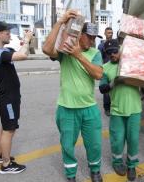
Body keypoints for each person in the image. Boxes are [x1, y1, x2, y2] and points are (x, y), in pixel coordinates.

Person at [42, 10, 104, 182]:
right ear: (79, 34)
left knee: (94, 144)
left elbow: (98, 74)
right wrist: (61, 22)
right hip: (67, 108)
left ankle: (95, 170)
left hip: (89, 108)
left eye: (94, 38)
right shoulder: (65, 50)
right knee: (67, 145)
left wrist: (79, 56)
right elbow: (46, 48)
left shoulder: (95, 53)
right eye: (89, 37)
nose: (92, 41)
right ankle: (71, 175)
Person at [0, 21, 33, 174]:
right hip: (7, 97)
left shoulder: (2, 50)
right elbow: (23, 55)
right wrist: (26, 41)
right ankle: (6, 165)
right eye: (6, 31)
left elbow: (21, 51)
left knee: (4, 125)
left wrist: (26, 42)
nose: (9, 34)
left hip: (8, 96)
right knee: (9, 129)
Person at [98, 39, 142, 181]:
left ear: (120, 50)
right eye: (109, 53)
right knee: (117, 140)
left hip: (134, 109)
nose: (113, 55)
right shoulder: (105, 68)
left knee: (133, 139)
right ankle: (117, 162)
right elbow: (102, 88)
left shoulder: (132, 65)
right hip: (117, 110)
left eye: (115, 52)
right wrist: (114, 82)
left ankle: (131, 165)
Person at [98, 27, 114, 116]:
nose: (110, 34)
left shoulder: (115, 44)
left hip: (114, 69)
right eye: (108, 33)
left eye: (111, 32)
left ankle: (113, 106)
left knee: (114, 89)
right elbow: (99, 59)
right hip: (105, 70)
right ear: (105, 33)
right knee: (106, 91)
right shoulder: (101, 46)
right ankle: (107, 108)